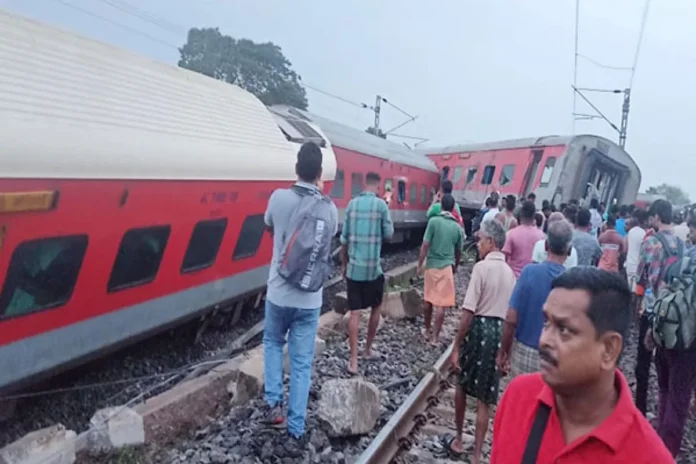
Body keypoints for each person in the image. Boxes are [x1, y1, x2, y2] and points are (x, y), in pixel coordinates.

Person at [490, 268, 673, 463]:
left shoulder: (647, 456)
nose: (544, 340)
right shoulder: (518, 398)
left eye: (564, 329)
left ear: (609, 349)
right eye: (546, 322)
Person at [263, 142, 339, 440]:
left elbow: (268, 224)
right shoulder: (329, 209)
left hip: (279, 294)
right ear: (319, 173)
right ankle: (296, 426)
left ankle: (274, 405)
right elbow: (328, 241)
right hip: (310, 300)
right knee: (302, 363)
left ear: (296, 168)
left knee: (271, 342)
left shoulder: (278, 198)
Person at [446, 219, 516, 463]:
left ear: (492, 242)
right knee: (486, 397)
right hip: (498, 332)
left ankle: (458, 438)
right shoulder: (510, 274)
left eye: (480, 239)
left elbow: (468, 312)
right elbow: (510, 318)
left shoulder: (481, 268)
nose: (478, 243)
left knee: (462, 384)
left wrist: (456, 345)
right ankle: (477, 454)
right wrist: (507, 351)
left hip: (479, 329)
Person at [639, 200, 693, 457]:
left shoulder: (652, 243)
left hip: (661, 318)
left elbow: (647, 277)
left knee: (664, 384)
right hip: (685, 327)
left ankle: (661, 440)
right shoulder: (683, 247)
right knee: (678, 393)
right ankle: (665, 449)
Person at [497, 219, 573, 377]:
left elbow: (511, 319)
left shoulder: (529, 272)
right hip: (556, 356)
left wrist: (503, 351)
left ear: (546, 246)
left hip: (525, 350)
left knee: (522, 399)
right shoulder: (573, 282)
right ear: (570, 250)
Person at [340, 172, 394, 375]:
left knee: (354, 313)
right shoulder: (381, 206)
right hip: (373, 270)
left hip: (354, 269)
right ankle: (367, 349)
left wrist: (344, 265)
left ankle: (353, 360)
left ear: (364, 184)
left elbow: (344, 240)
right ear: (378, 186)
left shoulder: (352, 205)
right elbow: (388, 235)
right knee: (376, 307)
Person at [417, 194, 463, 345]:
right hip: (447, 267)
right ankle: (436, 338)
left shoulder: (433, 222)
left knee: (428, 300)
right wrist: (455, 265)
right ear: (453, 207)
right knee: (441, 305)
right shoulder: (457, 227)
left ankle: (427, 330)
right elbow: (459, 251)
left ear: (441, 205)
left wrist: (420, 264)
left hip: (431, 265)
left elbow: (425, 245)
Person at [502, 200, 545, 278]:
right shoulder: (541, 236)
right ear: (533, 216)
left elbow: (504, 257)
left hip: (512, 277)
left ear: (520, 215)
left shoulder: (511, 234)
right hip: (531, 278)